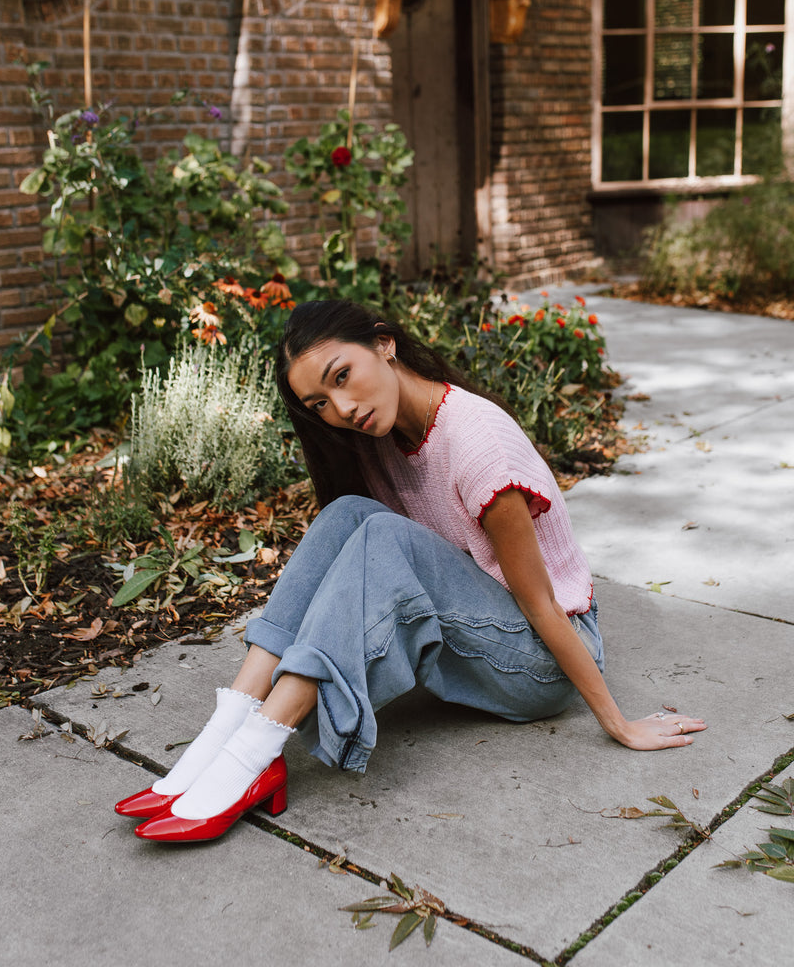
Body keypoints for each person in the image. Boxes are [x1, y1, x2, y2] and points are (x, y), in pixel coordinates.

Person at [115, 299, 706, 842]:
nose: (341, 410)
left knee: (380, 533)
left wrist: (618, 722)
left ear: (384, 344)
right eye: (320, 404)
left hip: (541, 663)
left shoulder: (480, 447)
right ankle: (233, 720)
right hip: (482, 633)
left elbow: (543, 606)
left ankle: (257, 748)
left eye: (341, 377)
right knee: (349, 514)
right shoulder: (379, 435)